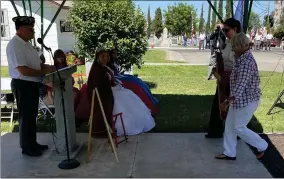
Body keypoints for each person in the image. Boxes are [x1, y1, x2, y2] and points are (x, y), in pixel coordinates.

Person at [215, 33, 269, 160]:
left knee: (238, 127)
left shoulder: (246, 62)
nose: (233, 49)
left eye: (234, 46)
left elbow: (240, 86)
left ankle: (263, 145)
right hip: (238, 100)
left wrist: (226, 102)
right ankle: (229, 153)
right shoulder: (241, 58)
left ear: (241, 46)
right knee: (229, 127)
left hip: (247, 101)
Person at [7, 16, 55, 156]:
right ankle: (27, 147)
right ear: (21, 29)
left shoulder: (27, 44)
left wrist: (49, 67)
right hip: (23, 84)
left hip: (32, 83)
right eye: (30, 30)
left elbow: (36, 65)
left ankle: (32, 143)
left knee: (32, 115)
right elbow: (22, 69)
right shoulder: (15, 45)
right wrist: (42, 72)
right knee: (26, 116)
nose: (33, 33)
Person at [206, 18, 241, 138]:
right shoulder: (228, 41)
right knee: (218, 105)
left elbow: (238, 64)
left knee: (234, 107)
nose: (224, 33)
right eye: (223, 30)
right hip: (223, 79)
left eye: (226, 30)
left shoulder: (240, 43)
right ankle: (215, 131)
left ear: (235, 29)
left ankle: (237, 133)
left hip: (233, 80)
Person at [87, 48, 115, 138]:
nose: (105, 58)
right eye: (103, 56)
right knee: (101, 114)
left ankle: (109, 129)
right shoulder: (96, 69)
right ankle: (101, 132)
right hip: (99, 96)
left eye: (107, 56)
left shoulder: (103, 66)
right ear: (97, 57)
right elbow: (98, 84)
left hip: (105, 94)